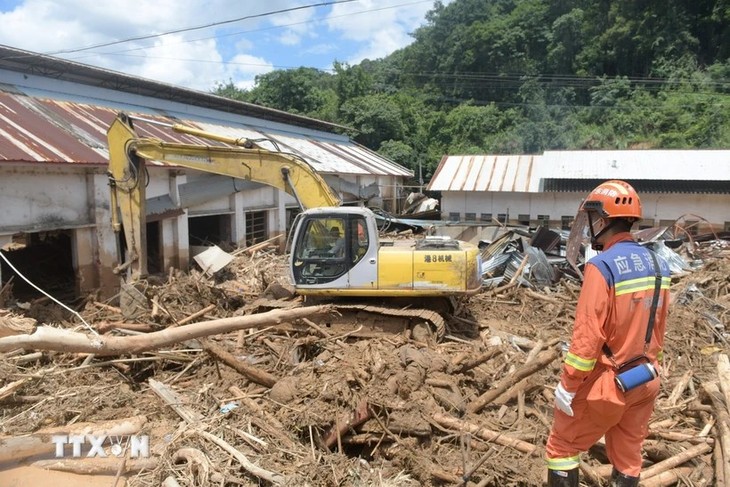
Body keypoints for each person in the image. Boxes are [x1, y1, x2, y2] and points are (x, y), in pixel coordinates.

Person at [545, 180, 671, 487]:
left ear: (602, 221)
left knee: (562, 448)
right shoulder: (659, 264)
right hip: (646, 379)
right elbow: (659, 326)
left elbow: (587, 337)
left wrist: (569, 384)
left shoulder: (601, 267)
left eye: (592, 221)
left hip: (609, 385)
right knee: (628, 455)